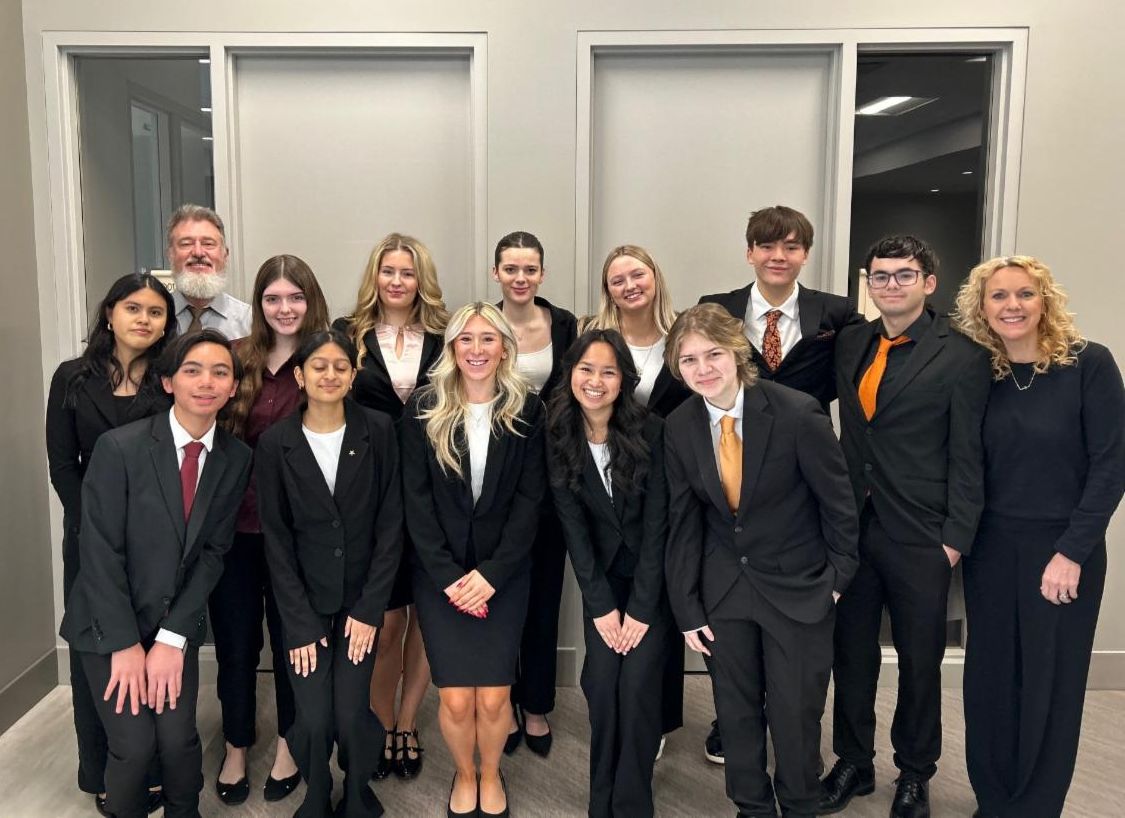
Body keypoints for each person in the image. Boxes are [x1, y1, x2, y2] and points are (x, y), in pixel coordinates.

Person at [663, 303, 858, 818]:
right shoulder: (679, 426)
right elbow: (682, 523)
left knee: (796, 715)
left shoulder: (796, 413)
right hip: (723, 591)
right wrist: (686, 607)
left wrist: (837, 579)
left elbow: (838, 504)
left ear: (736, 352)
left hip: (799, 589)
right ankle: (752, 807)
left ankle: (799, 804)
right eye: (689, 360)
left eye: (712, 354)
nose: (703, 369)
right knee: (735, 712)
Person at [820, 236, 991, 818]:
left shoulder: (962, 356)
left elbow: (969, 455)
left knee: (920, 663)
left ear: (929, 282)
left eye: (904, 275)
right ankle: (854, 762)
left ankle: (915, 773)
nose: (890, 285)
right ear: (867, 283)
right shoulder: (852, 342)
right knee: (851, 655)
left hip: (922, 534)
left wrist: (954, 540)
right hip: (851, 527)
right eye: (880, 276)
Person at [953, 256, 1125, 818]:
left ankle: (1035, 806)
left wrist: (1071, 552)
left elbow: (1110, 466)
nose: (1013, 306)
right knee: (990, 680)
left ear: (1045, 300)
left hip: (1064, 550)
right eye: (999, 296)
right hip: (990, 550)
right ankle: (993, 801)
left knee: (1051, 684)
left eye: (1025, 294)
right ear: (981, 308)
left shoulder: (1089, 364)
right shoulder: (979, 373)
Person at [59, 329, 252, 818]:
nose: (206, 382)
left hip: (173, 622)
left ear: (233, 387)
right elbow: (98, 552)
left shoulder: (236, 458)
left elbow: (213, 553)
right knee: (135, 745)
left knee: (178, 740)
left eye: (220, 372)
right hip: (107, 622)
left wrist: (171, 637)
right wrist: (125, 644)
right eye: (192, 370)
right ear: (168, 382)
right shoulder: (120, 448)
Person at [696, 205, 863, 765]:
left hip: (799, 472)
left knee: (789, 610)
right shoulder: (717, 308)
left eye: (791, 246)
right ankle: (734, 715)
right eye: (767, 246)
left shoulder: (836, 313)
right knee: (732, 601)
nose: (778, 256)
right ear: (749, 252)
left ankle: (790, 727)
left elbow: (853, 383)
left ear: (805, 254)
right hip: (731, 462)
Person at [400, 302, 546, 818]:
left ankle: (490, 772)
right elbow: (415, 502)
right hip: (439, 576)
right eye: (466, 339)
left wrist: (491, 575)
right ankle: (465, 773)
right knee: (458, 699)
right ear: (452, 347)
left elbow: (531, 501)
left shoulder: (528, 408)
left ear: (504, 347)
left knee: (494, 699)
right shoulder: (423, 407)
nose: (477, 349)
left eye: (488, 339)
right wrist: (449, 577)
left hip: (504, 574)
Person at [255, 328, 404, 818]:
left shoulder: (378, 430)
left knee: (350, 712)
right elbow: (276, 540)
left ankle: (358, 792)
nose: (330, 375)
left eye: (341, 366)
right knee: (315, 717)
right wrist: (297, 623)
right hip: (304, 606)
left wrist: (370, 609)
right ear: (299, 375)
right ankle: (317, 792)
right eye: (319, 366)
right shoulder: (275, 443)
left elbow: (391, 525)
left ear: (353, 375)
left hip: (361, 601)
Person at [46, 272, 177, 816]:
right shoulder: (72, 378)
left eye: (155, 312)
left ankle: (151, 767)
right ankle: (101, 769)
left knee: (149, 651)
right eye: (133, 308)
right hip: (89, 539)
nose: (143, 319)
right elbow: (63, 465)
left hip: (156, 543)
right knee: (96, 656)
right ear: (109, 313)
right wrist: (94, 529)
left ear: (166, 325)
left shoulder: (170, 380)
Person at [209, 254, 330, 805]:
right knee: (236, 644)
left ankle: (288, 743)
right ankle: (236, 745)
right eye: (273, 298)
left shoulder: (327, 361)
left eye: (295, 297)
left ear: (311, 300)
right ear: (258, 305)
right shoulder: (235, 359)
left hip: (300, 536)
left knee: (292, 644)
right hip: (235, 529)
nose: (285, 308)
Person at [334, 232, 449, 780]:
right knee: (383, 623)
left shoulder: (446, 337)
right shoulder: (347, 334)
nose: (397, 281)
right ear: (374, 277)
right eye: (388, 271)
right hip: (371, 494)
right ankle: (379, 725)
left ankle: (407, 723)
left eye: (407, 272)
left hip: (435, 493)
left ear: (421, 279)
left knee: (424, 616)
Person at [547, 329, 669, 817]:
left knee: (636, 689)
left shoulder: (653, 431)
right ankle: (602, 803)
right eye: (586, 369)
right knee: (601, 687)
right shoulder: (558, 434)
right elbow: (573, 531)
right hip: (601, 584)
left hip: (651, 583)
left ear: (624, 380)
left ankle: (634, 803)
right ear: (571, 374)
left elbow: (659, 529)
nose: (595, 381)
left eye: (608, 371)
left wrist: (640, 609)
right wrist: (601, 608)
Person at [582, 244, 690, 747]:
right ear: (608, 290)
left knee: (662, 605)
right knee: (613, 611)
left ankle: (657, 720)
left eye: (637, 275)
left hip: (671, 484)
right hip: (610, 493)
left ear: (655, 278)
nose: (629, 286)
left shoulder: (681, 337)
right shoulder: (595, 340)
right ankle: (617, 713)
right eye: (617, 279)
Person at [492, 230, 578, 757]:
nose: (520, 278)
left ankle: (537, 704)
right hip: (494, 480)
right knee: (499, 596)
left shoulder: (565, 325)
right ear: (496, 273)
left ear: (542, 273)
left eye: (529, 269)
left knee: (545, 595)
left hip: (552, 478)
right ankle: (501, 700)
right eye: (511, 268)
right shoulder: (481, 323)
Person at [166, 204, 251, 339]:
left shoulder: (249, 322)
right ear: (170, 255)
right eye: (186, 244)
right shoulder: (152, 319)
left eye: (208, 244)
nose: (198, 252)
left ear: (225, 255)